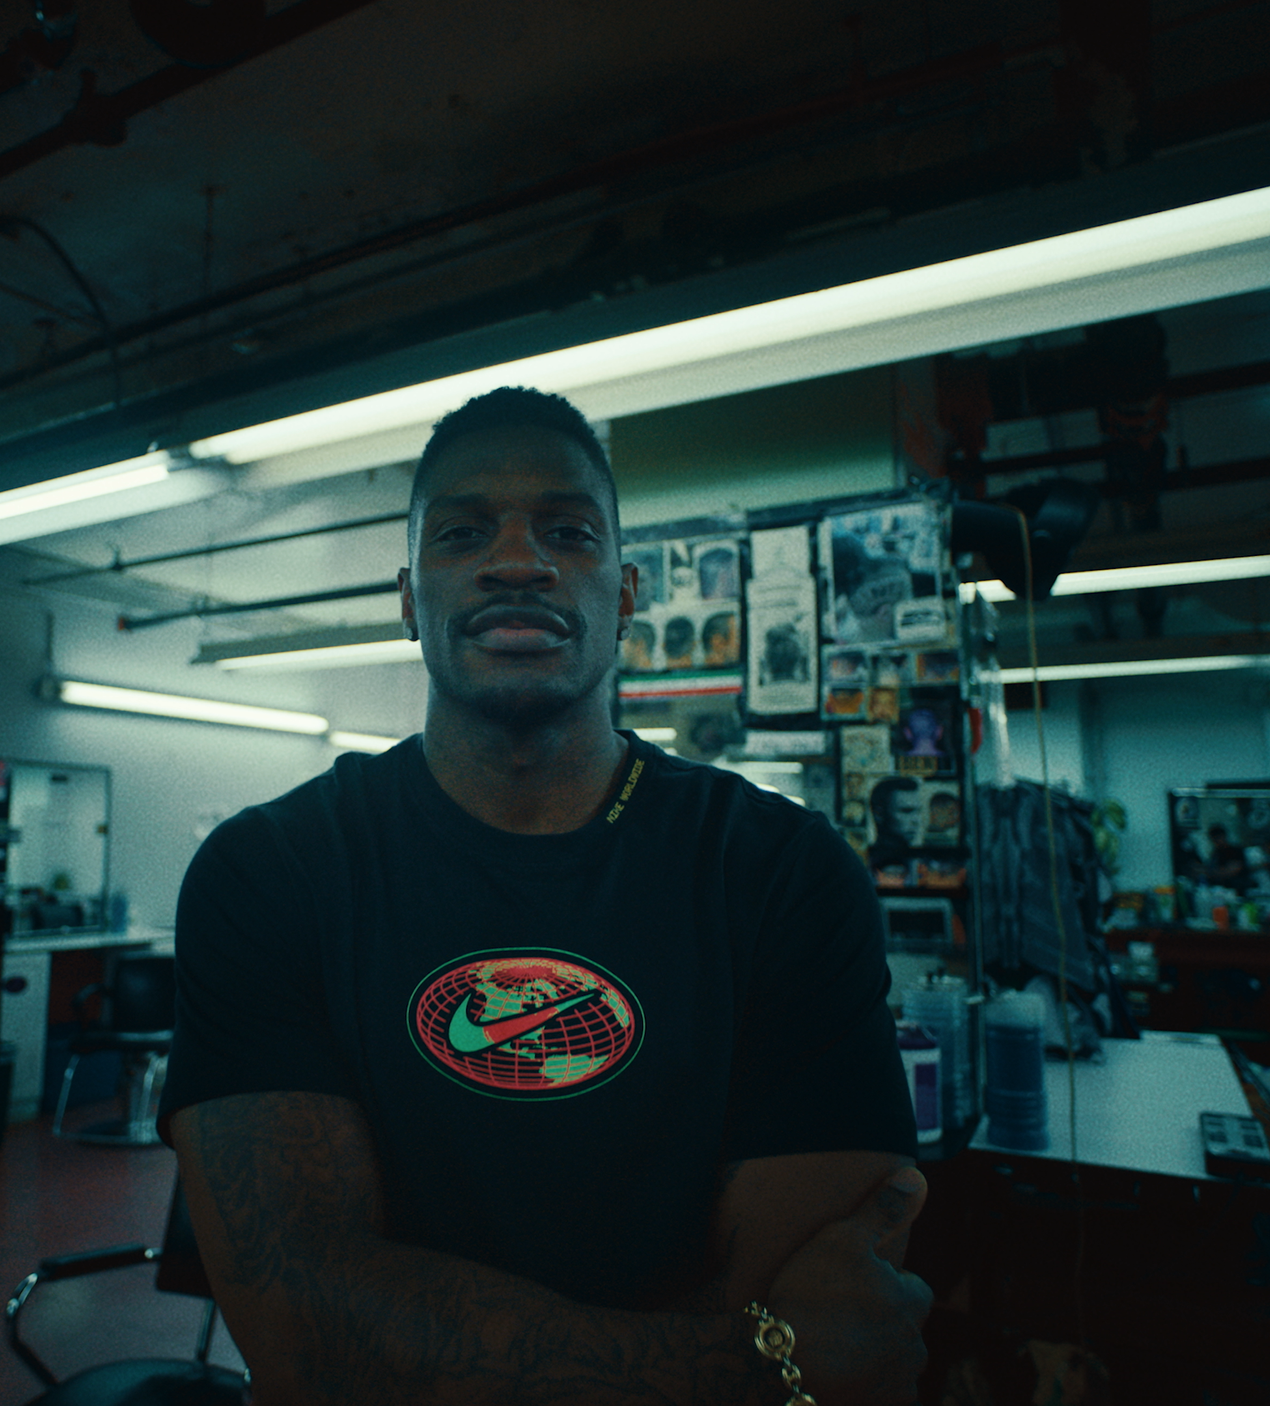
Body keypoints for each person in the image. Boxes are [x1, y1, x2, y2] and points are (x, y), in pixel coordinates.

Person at [161, 386, 932, 1406]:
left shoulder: (784, 871)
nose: (517, 559)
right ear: (407, 596)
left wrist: (408, 1332)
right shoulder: (272, 869)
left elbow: (831, 1296)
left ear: (625, 590)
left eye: (568, 530)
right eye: (464, 530)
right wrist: (747, 1367)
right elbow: (304, 1326)